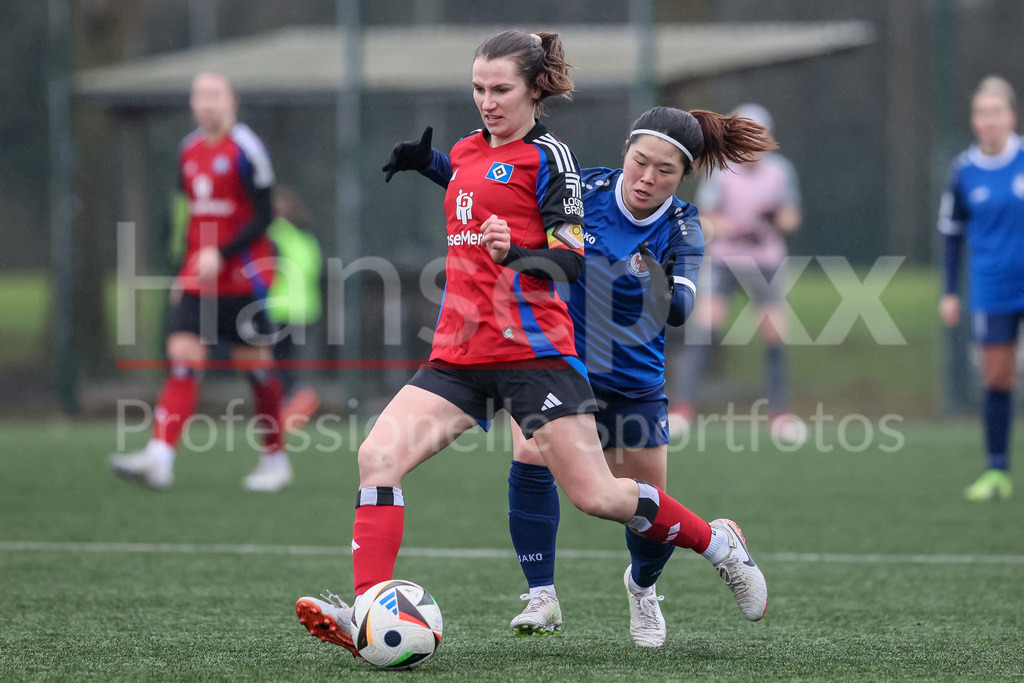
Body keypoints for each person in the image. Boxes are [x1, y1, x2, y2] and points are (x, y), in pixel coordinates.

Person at [293, 30, 767, 660]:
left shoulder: (553, 158)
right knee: (377, 458)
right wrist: (427, 163)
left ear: (534, 91)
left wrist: (516, 253)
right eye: (478, 88)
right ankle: (366, 610)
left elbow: (571, 258)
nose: (487, 101)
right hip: (460, 352)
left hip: (534, 354)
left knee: (600, 498)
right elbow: (477, 181)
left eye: (501, 90)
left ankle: (716, 543)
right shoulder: (465, 149)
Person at [110, 71, 292, 492]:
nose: (207, 102)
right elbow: (188, 219)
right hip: (199, 282)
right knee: (182, 361)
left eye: (215, 94)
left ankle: (275, 458)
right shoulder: (188, 151)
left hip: (245, 279)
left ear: (232, 101)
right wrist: (184, 270)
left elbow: (264, 216)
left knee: (258, 372)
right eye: (200, 95)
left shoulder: (248, 149)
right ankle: (160, 457)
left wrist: (222, 254)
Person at [668, 103, 803, 444]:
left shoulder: (780, 172)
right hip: (727, 259)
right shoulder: (720, 170)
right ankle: (681, 409)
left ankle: (780, 414)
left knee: (774, 332)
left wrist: (774, 219)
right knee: (706, 328)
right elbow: (707, 218)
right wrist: (736, 229)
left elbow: (791, 218)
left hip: (767, 261)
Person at [939, 75, 1023, 502]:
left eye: (996, 112)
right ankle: (997, 470)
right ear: (974, 120)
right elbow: (952, 234)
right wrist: (950, 291)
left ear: (1012, 116)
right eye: (981, 113)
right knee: (997, 377)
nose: (989, 120)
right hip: (991, 288)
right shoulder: (964, 171)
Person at [266, 185, 323, 431]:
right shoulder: (306, 239)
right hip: (306, 310)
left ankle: (294, 404)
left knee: (278, 364)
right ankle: (295, 403)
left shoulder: (273, 235)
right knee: (292, 364)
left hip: (280, 310)